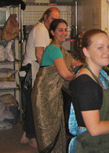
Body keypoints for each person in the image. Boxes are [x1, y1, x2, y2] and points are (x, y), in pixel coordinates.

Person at [31, 19, 83, 152]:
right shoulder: (53, 49)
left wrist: (88, 65)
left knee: (56, 129)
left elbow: (73, 63)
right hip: (44, 95)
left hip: (54, 94)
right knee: (47, 132)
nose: (64, 33)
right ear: (52, 32)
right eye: (60, 30)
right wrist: (84, 76)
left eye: (66, 30)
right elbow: (66, 74)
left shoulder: (61, 49)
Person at [68, 29, 109, 153]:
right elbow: (95, 129)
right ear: (86, 52)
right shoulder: (86, 84)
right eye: (100, 48)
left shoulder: (101, 74)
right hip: (92, 147)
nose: (107, 52)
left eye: (108, 46)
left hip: (106, 144)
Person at [20, 7, 60, 148]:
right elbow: (39, 54)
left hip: (28, 72)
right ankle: (32, 138)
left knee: (31, 105)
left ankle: (26, 135)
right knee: (34, 106)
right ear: (45, 17)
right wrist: (49, 71)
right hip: (31, 72)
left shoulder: (42, 29)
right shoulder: (42, 29)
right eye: (52, 19)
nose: (54, 22)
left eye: (57, 19)